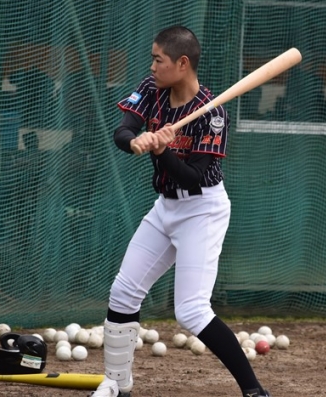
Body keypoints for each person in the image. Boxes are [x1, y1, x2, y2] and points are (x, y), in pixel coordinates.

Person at [92, 26, 271, 397]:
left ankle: (254, 391)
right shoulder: (152, 88)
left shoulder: (213, 113)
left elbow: (193, 177)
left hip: (202, 210)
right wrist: (137, 140)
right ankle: (117, 385)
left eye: (159, 59)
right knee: (123, 292)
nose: (152, 66)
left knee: (191, 310)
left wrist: (162, 151)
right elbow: (123, 131)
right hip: (165, 207)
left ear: (182, 63)